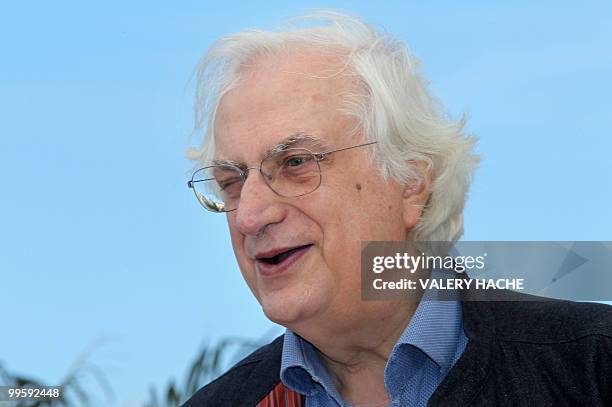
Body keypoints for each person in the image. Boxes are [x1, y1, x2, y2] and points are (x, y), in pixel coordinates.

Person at [182, 12, 612, 407]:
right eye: (232, 182)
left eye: (295, 163)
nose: (250, 216)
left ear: (411, 184)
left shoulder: (593, 365)